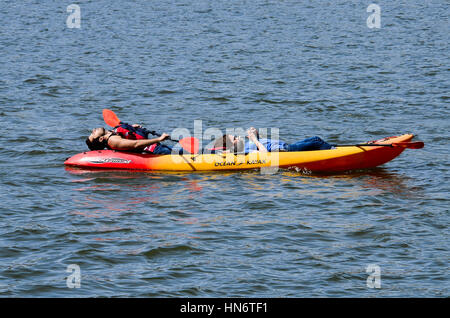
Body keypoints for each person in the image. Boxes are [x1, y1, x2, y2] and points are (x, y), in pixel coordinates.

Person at [211, 127, 333, 154]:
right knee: (316, 140)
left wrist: (255, 135)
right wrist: (255, 140)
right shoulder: (245, 151)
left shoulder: (245, 146)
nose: (238, 137)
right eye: (235, 138)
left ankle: (331, 150)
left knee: (315, 139)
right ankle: (333, 152)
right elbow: (265, 154)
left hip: (286, 146)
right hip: (285, 150)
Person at [85, 122, 172, 154]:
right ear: (100, 139)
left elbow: (123, 133)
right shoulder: (113, 141)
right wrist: (159, 139)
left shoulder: (111, 133)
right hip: (154, 151)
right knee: (183, 151)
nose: (93, 130)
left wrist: (131, 128)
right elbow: (135, 144)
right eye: (93, 133)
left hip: (156, 147)